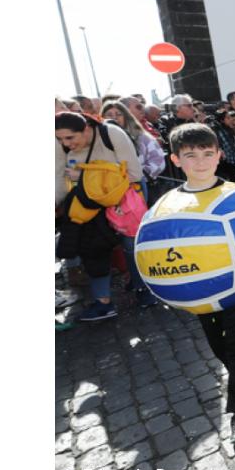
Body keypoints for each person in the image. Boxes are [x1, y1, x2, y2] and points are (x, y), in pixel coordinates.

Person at [160, 123, 235, 445]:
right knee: (219, 345)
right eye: (190, 155)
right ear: (175, 159)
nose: (201, 162)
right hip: (200, 290)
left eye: (207, 153)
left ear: (219, 155)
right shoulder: (170, 205)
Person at [55, 111, 143, 321]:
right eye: (60, 139)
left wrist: (86, 175)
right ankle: (103, 302)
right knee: (94, 250)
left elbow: (134, 174)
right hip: (91, 205)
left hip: (125, 198)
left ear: (85, 129)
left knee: (132, 246)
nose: (66, 144)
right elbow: (60, 177)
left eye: (70, 138)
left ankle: (144, 289)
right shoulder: (61, 145)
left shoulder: (111, 134)